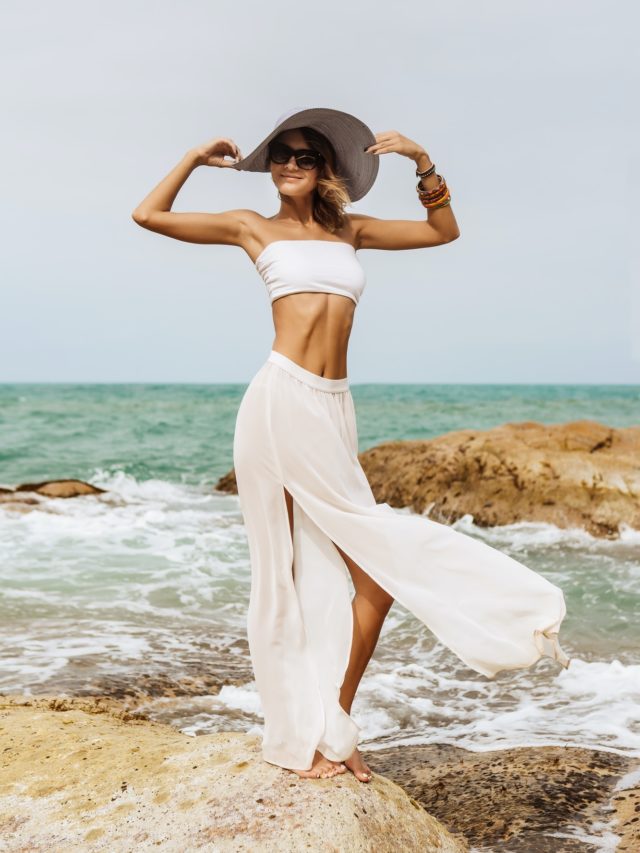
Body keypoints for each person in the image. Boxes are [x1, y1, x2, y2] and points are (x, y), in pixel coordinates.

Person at [132, 106, 570, 784]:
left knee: (371, 575)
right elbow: (148, 216)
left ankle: (333, 725)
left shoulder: (352, 231)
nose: (290, 164)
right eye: (281, 153)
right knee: (286, 573)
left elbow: (442, 231)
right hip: (280, 400)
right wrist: (193, 157)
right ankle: (300, 738)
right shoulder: (252, 226)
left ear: (326, 168)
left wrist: (423, 163)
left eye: (305, 156)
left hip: (335, 408)